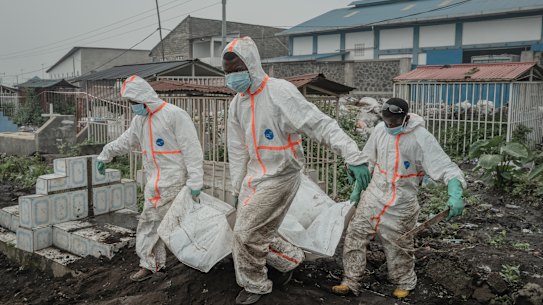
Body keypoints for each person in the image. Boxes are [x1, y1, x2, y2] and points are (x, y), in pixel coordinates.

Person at [222, 36, 371, 305]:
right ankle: (290, 258)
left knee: (245, 235)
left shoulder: (279, 92)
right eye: (228, 73)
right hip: (255, 176)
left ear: (252, 65)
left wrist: (353, 155)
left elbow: (320, 124)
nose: (233, 77)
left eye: (237, 70)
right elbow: (236, 149)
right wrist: (236, 186)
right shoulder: (237, 104)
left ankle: (256, 284)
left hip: (281, 175)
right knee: (245, 229)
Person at [332, 98, 466, 298]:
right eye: (387, 122)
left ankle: (405, 281)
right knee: (355, 233)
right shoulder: (380, 130)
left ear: (405, 118)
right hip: (375, 194)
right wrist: (357, 187)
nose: (391, 126)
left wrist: (455, 192)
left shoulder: (420, 138)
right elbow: (367, 160)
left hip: (401, 202)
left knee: (398, 244)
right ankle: (351, 281)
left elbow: (445, 167)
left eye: (394, 123)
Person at [96, 75, 203, 282]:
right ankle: (153, 264)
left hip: (175, 182)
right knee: (153, 223)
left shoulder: (174, 115)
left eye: (134, 102)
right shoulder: (140, 120)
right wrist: (106, 153)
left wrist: (195, 181)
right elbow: (126, 141)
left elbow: (192, 149)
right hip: (154, 184)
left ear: (145, 98)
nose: (132, 107)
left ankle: (201, 257)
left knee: (175, 223)